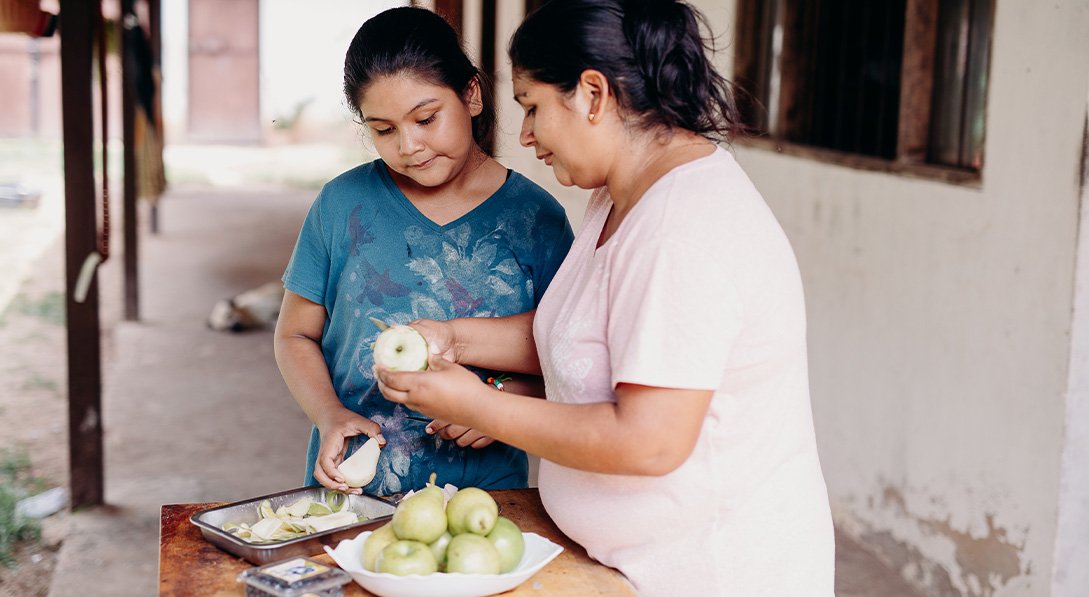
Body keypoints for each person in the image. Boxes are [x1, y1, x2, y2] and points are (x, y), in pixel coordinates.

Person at [374, 1, 835, 595]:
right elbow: (582, 333)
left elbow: (649, 441)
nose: (527, 136)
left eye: (533, 107)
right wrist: (454, 337)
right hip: (626, 568)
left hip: (711, 575)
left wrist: (478, 405)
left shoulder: (681, 232)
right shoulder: (621, 194)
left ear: (592, 94)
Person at [274, 7, 575, 498]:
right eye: (384, 129)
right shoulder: (342, 205)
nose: (410, 146)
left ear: (472, 94)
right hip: (352, 491)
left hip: (486, 495)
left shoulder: (536, 220)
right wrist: (329, 414)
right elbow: (294, 335)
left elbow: (569, 356)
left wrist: (502, 406)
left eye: (426, 118)